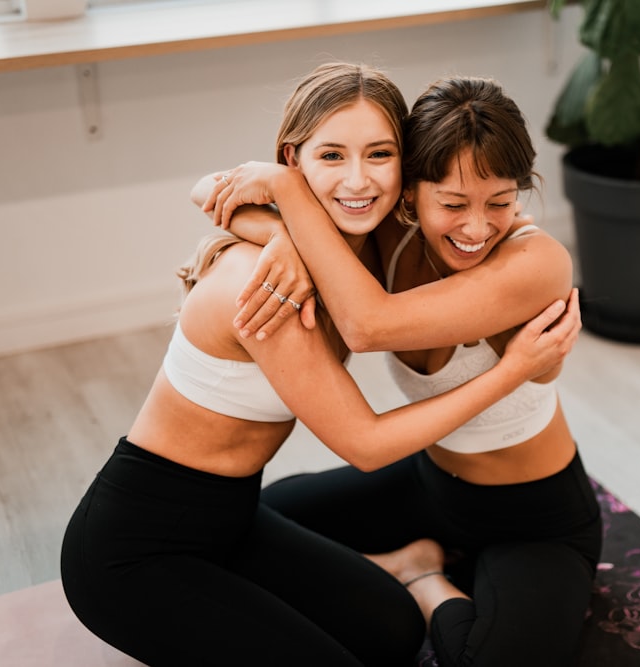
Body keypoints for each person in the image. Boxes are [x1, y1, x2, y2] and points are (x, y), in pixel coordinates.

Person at [59, 63, 582, 667]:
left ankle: (408, 569)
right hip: (134, 547)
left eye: (379, 154)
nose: (477, 223)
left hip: (245, 514)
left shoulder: (384, 241)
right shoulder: (276, 281)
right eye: (331, 155)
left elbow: (356, 308)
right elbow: (210, 190)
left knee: (389, 631)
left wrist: (287, 223)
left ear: (401, 175)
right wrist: (281, 221)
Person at [200, 74, 603, 666]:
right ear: (410, 195)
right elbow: (210, 191)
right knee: (259, 524)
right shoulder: (384, 230)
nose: (476, 228)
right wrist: (286, 233)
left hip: (534, 518)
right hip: (430, 485)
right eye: (453, 204)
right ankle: (415, 553)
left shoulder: (536, 262)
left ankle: (423, 580)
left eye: (500, 201)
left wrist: (289, 202)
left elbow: (369, 325)